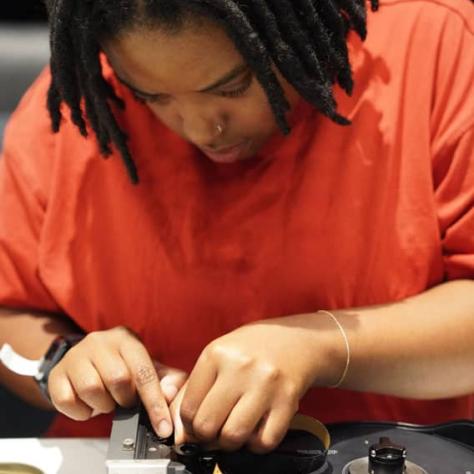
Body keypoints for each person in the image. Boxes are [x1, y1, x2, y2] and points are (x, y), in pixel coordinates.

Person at [0, 0, 473, 452]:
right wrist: (66, 362)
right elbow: (10, 316)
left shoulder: (436, 46)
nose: (202, 127)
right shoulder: (81, 102)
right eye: (151, 96)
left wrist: (323, 346)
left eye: (231, 88)